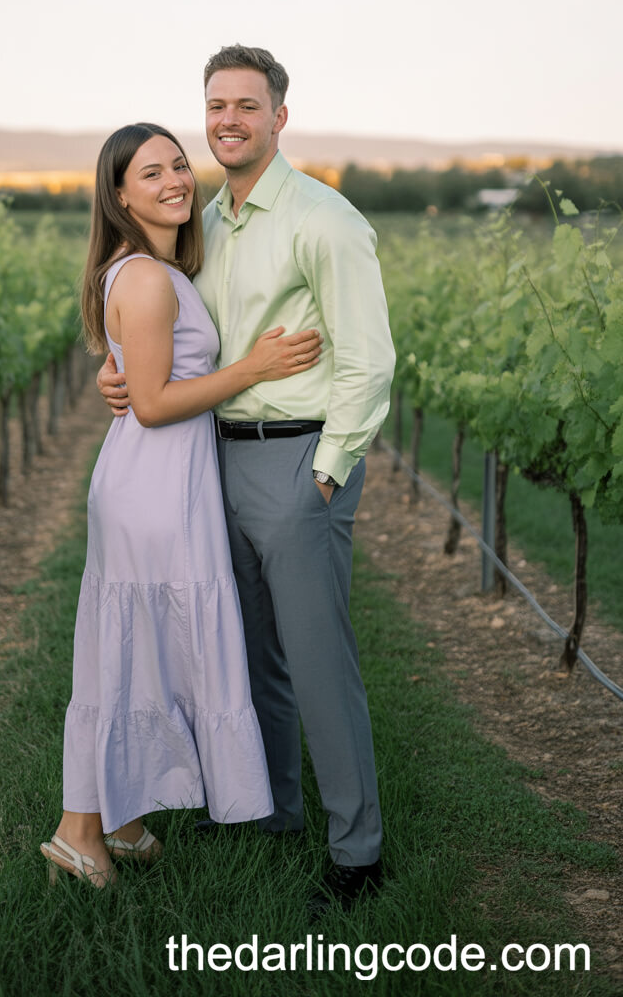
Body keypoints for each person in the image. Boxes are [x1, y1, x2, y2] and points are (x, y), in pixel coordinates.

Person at [98, 47, 396, 912]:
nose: (228, 121)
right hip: (213, 455)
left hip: (299, 461)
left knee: (317, 663)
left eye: (246, 106)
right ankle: (270, 811)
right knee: (246, 648)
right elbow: (169, 333)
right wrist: (118, 377)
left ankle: (358, 854)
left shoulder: (324, 219)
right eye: (215, 105)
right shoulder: (210, 220)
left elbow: (369, 363)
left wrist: (331, 472)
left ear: (279, 118)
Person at [41, 121, 323, 887]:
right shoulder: (143, 277)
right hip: (153, 489)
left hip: (164, 483)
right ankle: (78, 831)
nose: (173, 181)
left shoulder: (154, 273)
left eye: (176, 164)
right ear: (120, 195)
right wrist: (255, 366)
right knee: (132, 658)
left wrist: (121, 375)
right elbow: (159, 404)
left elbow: (136, 377)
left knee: (146, 652)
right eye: (150, 173)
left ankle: (123, 819)